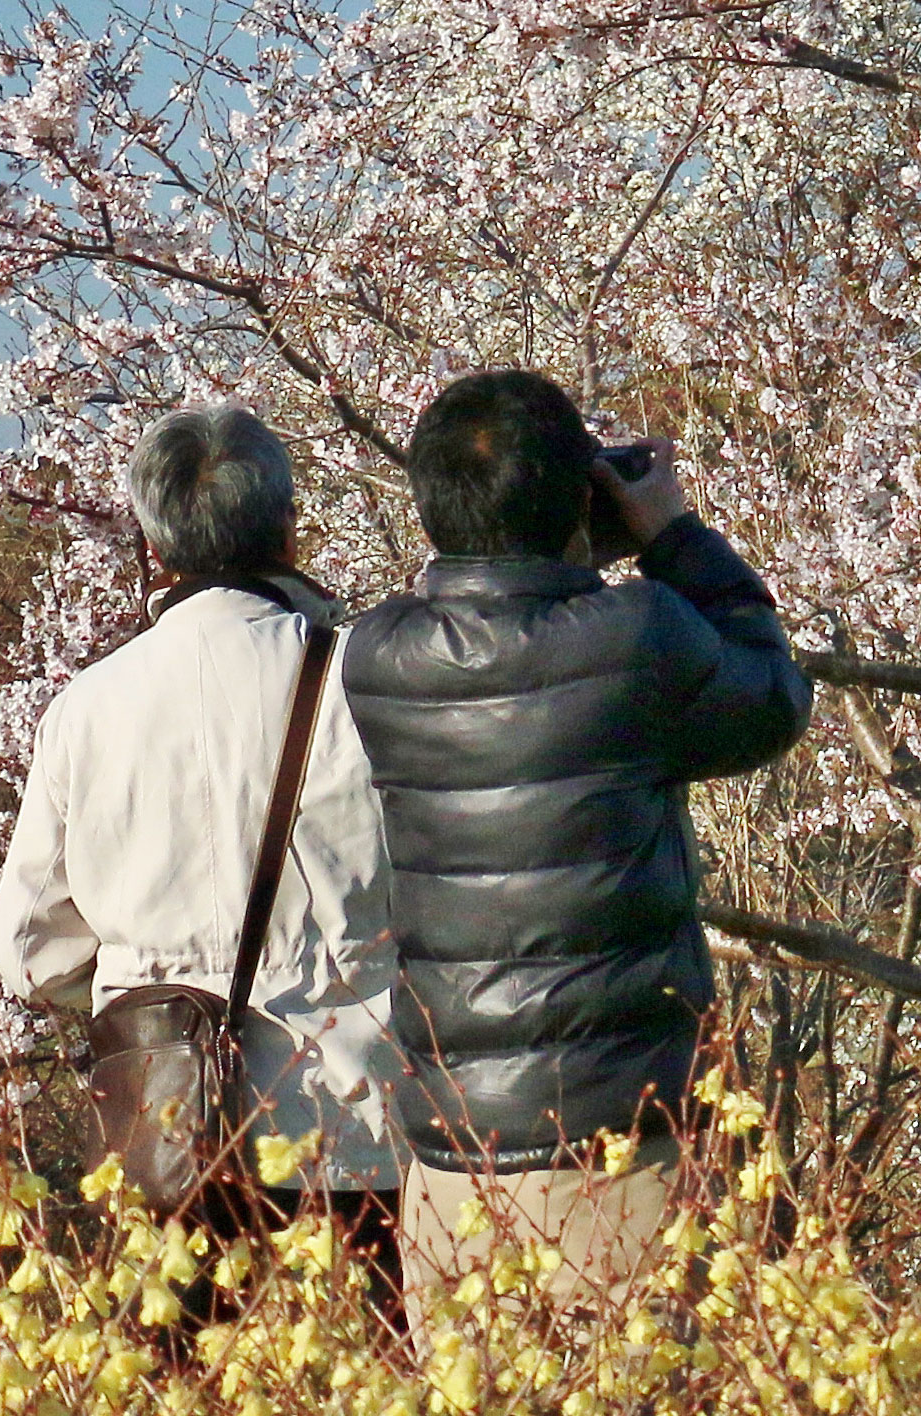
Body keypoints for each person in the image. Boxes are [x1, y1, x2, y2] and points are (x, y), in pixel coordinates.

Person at [342, 372, 812, 1329]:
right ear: (578, 497)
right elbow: (772, 697)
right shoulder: (636, 635)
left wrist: (560, 543)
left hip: (451, 1163)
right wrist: (671, 536)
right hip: (617, 1157)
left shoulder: (379, 655)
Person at [0, 406, 407, 1311]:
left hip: (166, 1134)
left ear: (154, 543)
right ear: (289, 527)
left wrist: (152, 981)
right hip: (357, 1128)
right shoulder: (365, 681)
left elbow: (25, 946)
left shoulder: (87, 708)